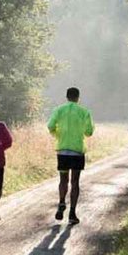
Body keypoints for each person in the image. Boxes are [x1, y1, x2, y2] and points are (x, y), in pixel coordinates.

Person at [47, 87, 94, 225]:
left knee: (63, 180)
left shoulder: (58, 110)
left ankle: (61, 202)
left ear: (66, 96)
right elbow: (89, 132)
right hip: (77, 151)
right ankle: (72, 213)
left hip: (62, 150)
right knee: (75, 182)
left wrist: (58, 135)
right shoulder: (84, 112)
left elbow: (50, 126)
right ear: (78, 97)